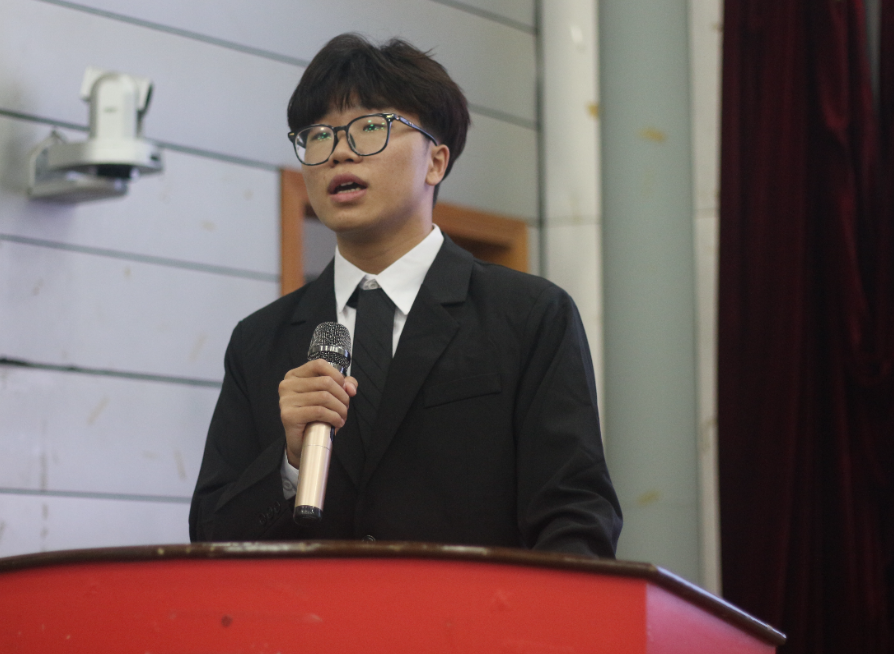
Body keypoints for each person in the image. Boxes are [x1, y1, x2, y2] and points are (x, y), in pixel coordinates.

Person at [189, 33, 621, 557]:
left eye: (371, 126)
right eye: (318, 134)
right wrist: (290, 464)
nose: (340, 150)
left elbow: (575, 518)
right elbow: (210, 540)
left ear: (435, 162)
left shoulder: (529, 316)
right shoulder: (259, 341)